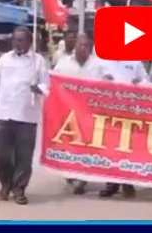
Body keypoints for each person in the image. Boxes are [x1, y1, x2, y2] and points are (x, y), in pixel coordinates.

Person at [0, 26, 49, 205]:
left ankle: (19, 189)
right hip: (3, 113)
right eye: (15, 40)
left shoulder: (38, 61)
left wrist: (39, 89)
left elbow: (47, 85)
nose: (17, 43)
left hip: (27, 116)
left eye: (21, 40)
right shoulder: (4, 59)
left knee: (23, 157)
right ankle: (6, 183)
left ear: (29, 41)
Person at [53, 33, 104, 195]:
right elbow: (53, 82)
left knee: (86, 146)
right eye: (79, 45)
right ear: (75, 46)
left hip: (90, 114)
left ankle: (81, 178)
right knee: (70, 144)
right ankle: (72, 172)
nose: (82, 48)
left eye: (85, 46)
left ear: (90, 48)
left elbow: (106, 88)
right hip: (68, 112)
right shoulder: (63, 64)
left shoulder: (99, 66)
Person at [98, 58, 148, 199]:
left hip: (129, 110)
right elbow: (91, 81)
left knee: (127, 148)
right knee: (110, 147)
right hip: (109, 109)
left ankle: (127, 182)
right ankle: (111, 183)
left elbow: (145, 80)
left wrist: (138, 84)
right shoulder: (102, 61)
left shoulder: (135, 61)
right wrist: (103, 81)